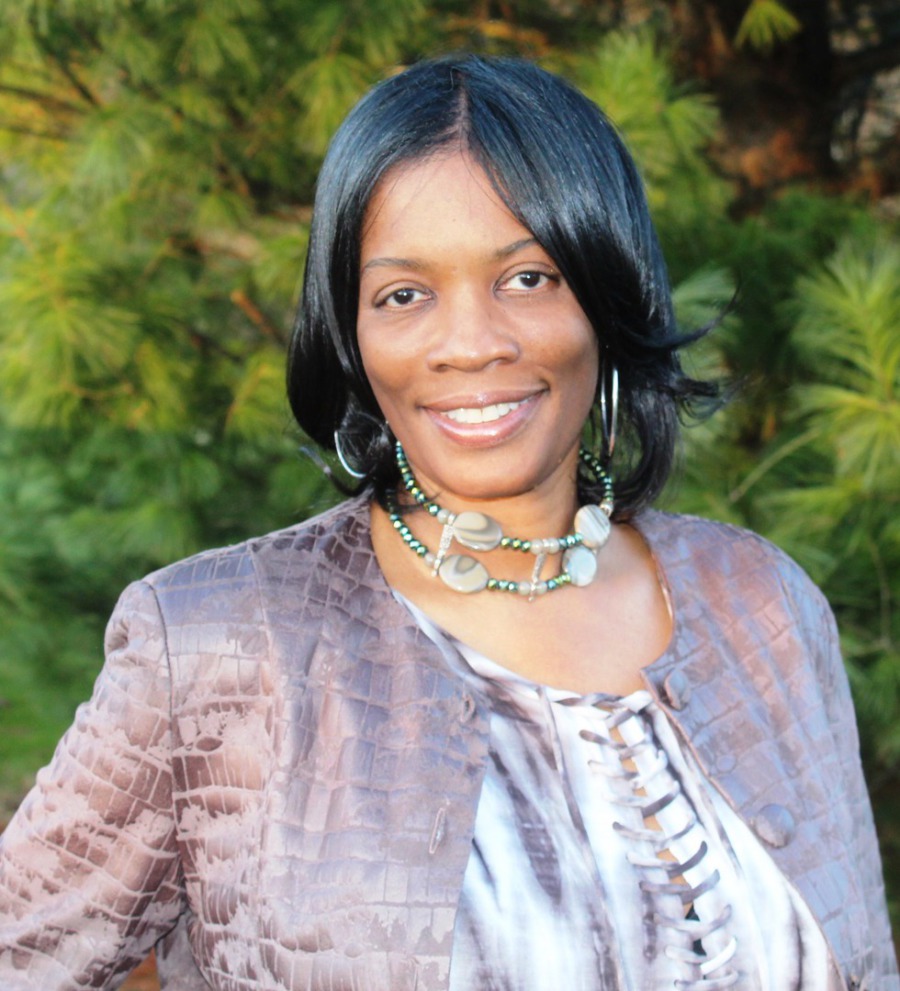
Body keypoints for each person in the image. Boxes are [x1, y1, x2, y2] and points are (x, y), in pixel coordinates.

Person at [0, 53, 896, 991]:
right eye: (404, 295)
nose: (471, 344)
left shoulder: (763, 607)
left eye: (529, 278)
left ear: (608, 292)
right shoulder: (215, 643)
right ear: (351, 333)